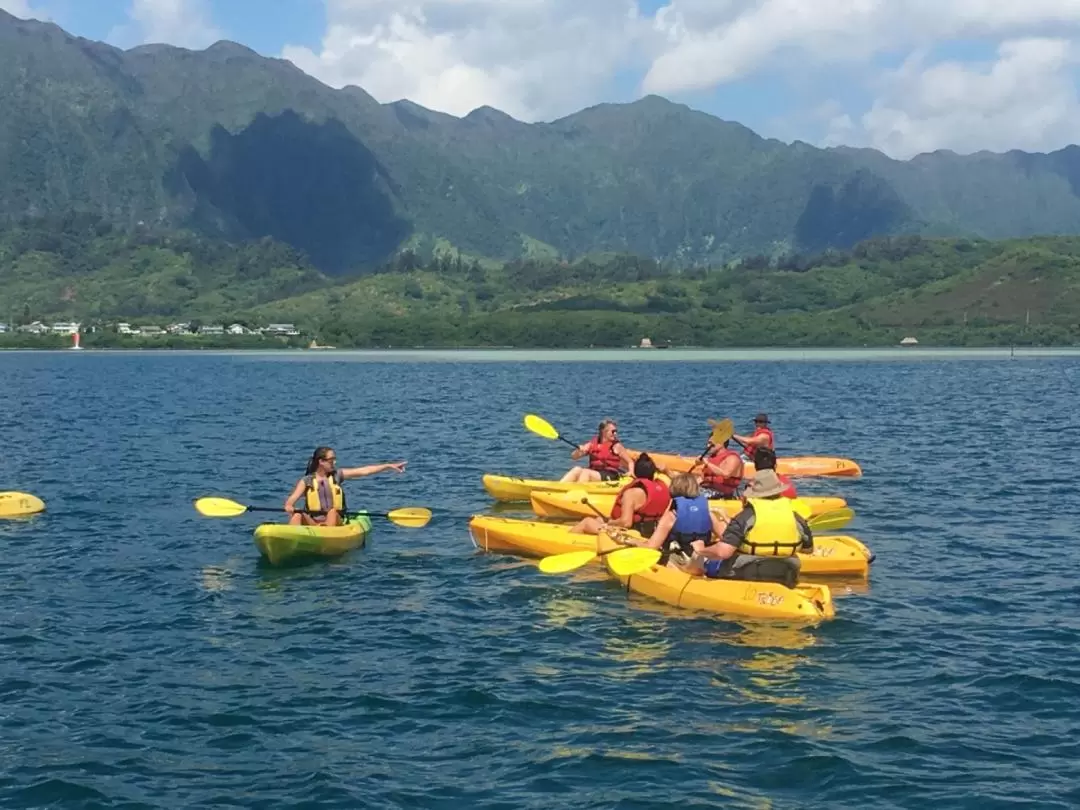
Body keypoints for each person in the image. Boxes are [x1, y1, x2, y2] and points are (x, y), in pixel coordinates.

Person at [693, 469, 813, 587]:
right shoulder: (795, 516)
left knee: (705, 561)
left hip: (748, 572)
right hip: (786, 572)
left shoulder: (746, 516)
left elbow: (722, 552)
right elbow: (808, 549)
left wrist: (701, 550)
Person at [623, 473, 731, 569]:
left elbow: (652, 547)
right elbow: (728, 540)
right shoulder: (708, 514)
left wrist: (631, 542)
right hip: (703, 558)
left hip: (681, 562)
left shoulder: (671, 516)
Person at [284, 446, 407, 526]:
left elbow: (364, 471)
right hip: (314, 523)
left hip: (336, 522)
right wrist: (289, 506)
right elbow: (291, 500)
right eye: (331, 460)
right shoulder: (307, 481)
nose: (335, 463)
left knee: (332, 512)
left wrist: (388, 466)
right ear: (321, 462)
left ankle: (328, 536)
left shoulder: (337, 475)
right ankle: (288, 540)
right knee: (298, 515)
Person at [569, 453, 670, 538]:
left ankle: (568, 541)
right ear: (653, 473)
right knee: (599, 519)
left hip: (631, 535)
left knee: (587, 521)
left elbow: (626, 523)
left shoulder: (631, 493)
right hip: (653, 533)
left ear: (636, 473)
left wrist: (610, 523)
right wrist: (667, 471)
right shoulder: (663, 488)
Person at [560, 418, 634, 483]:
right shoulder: (592, 444)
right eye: (613, 431)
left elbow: (630, 462)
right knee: (577, 469)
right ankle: (559, 487)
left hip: (610, 474)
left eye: (616, 431)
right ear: (604, 432)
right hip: (595, 472)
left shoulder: (617, 446)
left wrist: (631, 472)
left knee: (586, 472)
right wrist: (580, 451)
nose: (615, 433)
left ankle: (578, 493)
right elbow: (574, 457)